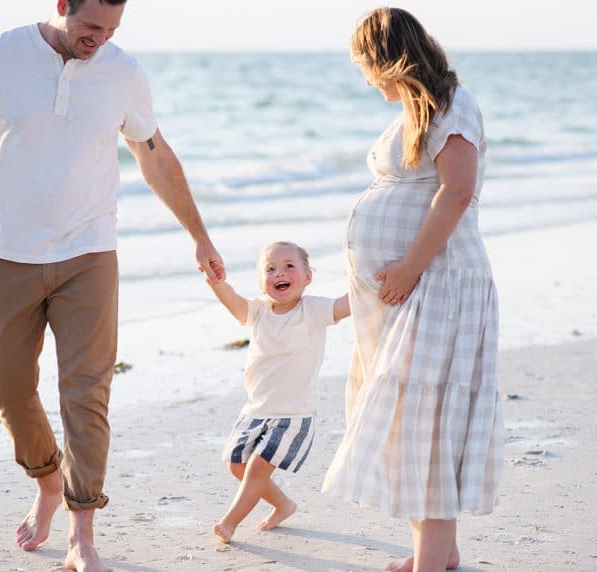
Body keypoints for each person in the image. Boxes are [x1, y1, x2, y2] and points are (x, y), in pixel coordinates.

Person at [0, 0, 225, 570]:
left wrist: (199, 236)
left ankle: (83, 532)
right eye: (89, 26)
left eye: (111, 29)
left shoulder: (123, 71)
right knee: (7, 386)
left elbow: (154, 158)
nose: (99, 39)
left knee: (86, 393)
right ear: (62, 6)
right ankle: (47, 480)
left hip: (89, 254)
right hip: (8, 253)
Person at [321, 8, 504, 572]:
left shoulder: (454, 105)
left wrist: (408, 269)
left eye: (366, 67)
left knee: (426, 424)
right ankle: (439, 553)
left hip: (439, 285)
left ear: (386, 60)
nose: (367, 80)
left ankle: (431, 561)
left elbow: (457, 192)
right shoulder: (419, 110)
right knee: (407, 417)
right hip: (405, 294)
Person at [206, 241, 350, 544]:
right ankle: (283, 505)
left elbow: (347, 304)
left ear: (307, 277)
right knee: (238, 466)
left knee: (257, 468)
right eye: (269, 269)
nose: (279, 273)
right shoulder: (258, 311)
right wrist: (219, 284)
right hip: (255, 411)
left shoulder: (314, 310)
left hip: (292, 414)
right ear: (261, 281)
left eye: (288, 266)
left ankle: (229, 522)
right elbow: (234, 303)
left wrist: (375, 284)